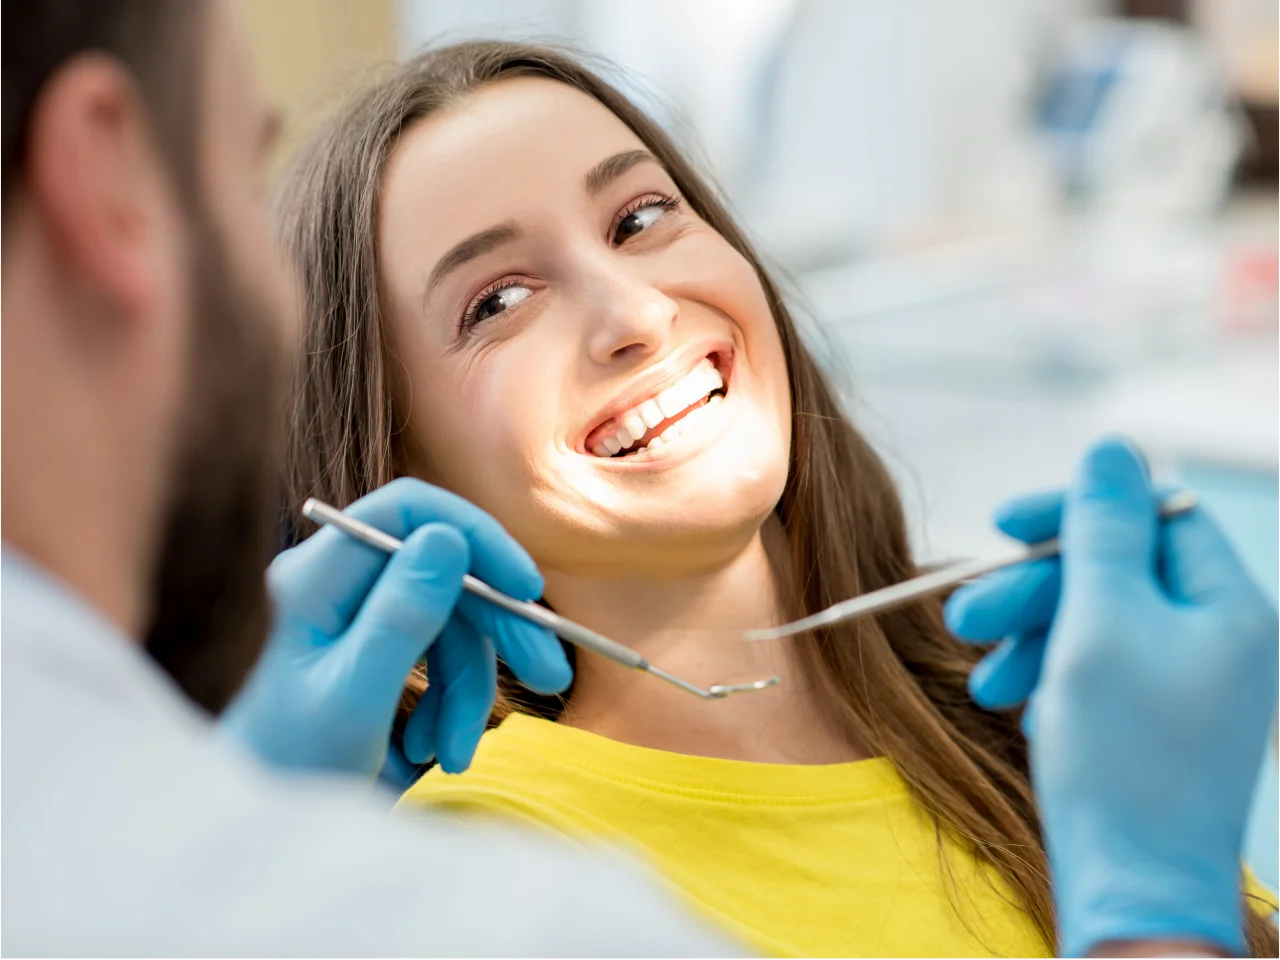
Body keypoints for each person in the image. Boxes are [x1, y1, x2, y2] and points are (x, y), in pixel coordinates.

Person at [1, 2, 1274, 957]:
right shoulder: (474, 870)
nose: (632, 311)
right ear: (390, 465)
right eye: (496, 301)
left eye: (640, 218)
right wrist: (1153, 906)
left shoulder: (1031, 723)